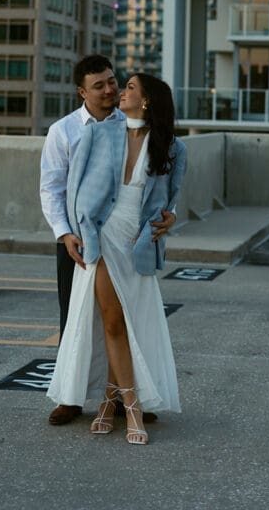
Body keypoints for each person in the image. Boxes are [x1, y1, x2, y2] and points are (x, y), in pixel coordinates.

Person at [46, 72, 187, 445]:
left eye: (128, 88)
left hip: (137, 240)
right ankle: (133, 407)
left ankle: (109, 401)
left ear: (147, 101)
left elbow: (169, 203)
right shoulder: (97, 133)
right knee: (111, 320)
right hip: (102, 235)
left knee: (126, 321)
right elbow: (73, 190)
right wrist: (75, 231)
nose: (120, 93)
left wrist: (170, 218)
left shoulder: (173, 148)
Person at [40, 54, 124, 427]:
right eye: (99, 85)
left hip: (122, 239)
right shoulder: (63, 130)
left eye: (112, 80)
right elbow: (51, 188)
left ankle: (125, 395)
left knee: (123, 319)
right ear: (81, 91)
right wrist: (64, 234)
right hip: (75, 241)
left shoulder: (133, 126)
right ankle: (70, 399)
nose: (109, 89)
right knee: (73, 319)